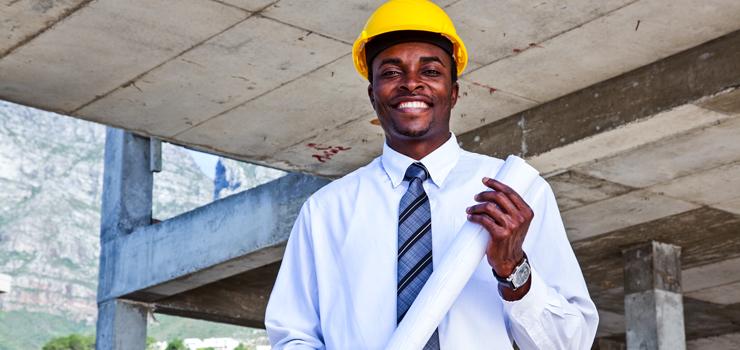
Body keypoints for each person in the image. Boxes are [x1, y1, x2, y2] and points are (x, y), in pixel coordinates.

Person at [264, 1, 598, 349]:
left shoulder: (515, 197)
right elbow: (293, 337)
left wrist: (514, 269)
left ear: (453, 92)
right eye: (391, 73)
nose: (411, 84)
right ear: (372, 94)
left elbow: (570, 344)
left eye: (431, 72)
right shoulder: (325, 211)